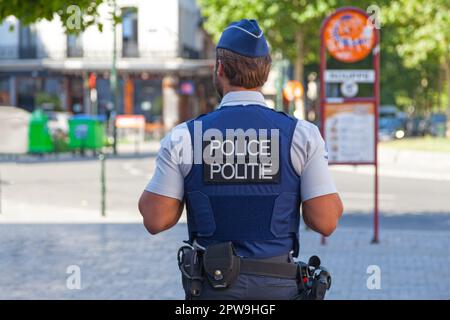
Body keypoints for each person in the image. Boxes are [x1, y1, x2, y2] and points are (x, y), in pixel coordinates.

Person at [139, 19, 343, 300]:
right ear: (267, 72)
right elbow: (326, 221)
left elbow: (155, 219)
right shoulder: (302, 135)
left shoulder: (185, 137)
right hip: (279, 288)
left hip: (212, 288)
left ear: (220, 68)